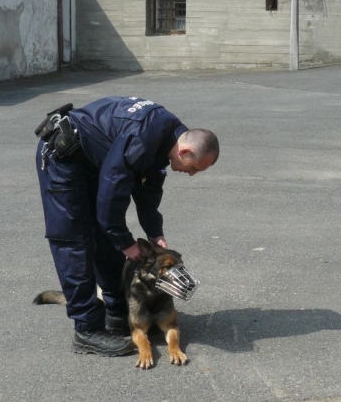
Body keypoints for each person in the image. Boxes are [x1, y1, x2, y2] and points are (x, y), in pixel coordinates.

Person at [35, 96, 219, 357]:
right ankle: (87, 330)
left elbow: (148, 190)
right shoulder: (145, 136)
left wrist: (155, 232)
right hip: (63, 159)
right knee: (74, 242)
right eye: (194, 169)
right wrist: (125, 242)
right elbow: (112, 192)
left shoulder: (166, 138)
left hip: (91, 161)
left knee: (105, 236)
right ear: (185, 152)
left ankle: (117, 311)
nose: (192, 174)